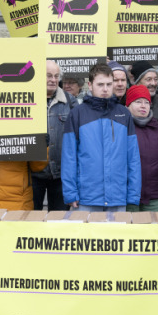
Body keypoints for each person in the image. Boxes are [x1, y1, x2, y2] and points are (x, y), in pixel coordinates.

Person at [61, 62, 140, 212]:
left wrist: (133, 193)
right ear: (90, 85)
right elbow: (69, 156)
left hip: (117, 196)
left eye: (109, 84)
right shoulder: (77, 114)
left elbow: (133, 157)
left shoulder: (124, 114)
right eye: (100, 84)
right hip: (86, 196)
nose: (105, 89)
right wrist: (70, 193)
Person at [32, 60, 72, 212]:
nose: (53, 80)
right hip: (33, 174)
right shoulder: (27, 99)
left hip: (61, 174)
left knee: (59, 221)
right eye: (48, 75)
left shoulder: (69, 101)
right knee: (31, 220)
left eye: (56, 76)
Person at [125, 85, 158, 213]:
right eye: (138, 102)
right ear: (128, 105)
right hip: (127, 195)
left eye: (147, 102)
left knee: (154, 226)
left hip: (154, 195)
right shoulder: (121, 126)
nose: (143, 106)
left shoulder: (157, 127)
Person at [129, 61, 158, 129]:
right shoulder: (127, 103)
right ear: (137, 82)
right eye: (149, 79)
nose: (153, 83)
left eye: (155, 79)